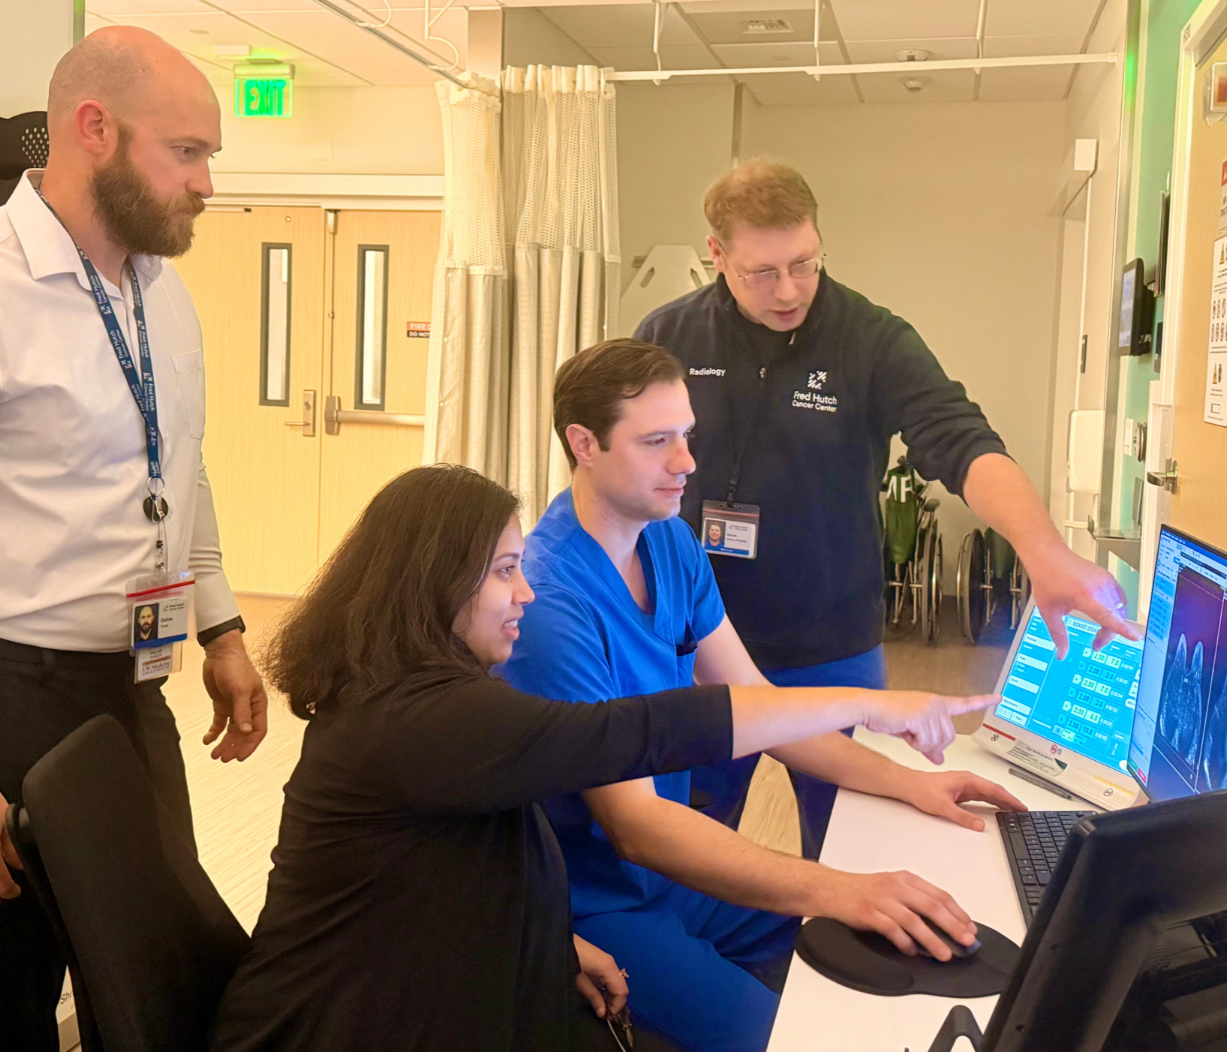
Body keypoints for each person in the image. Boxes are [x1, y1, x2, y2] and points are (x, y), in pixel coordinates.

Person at [210, 464, 995, 1052]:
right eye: (504, 573)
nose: (525, 595)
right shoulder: (428, 717)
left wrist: (552, 944)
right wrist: (864, 700)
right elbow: (644, 731)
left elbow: (430, 888)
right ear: (435, 584)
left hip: (415, 988)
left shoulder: (407, 694)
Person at [0, 27, 266, 1050]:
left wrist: (224, 627)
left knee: (157, 964)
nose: (207, 183)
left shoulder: (160, 292)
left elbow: (178, 465)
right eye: (187, 152)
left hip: (131, 680)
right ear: (95, 129)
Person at [498, 339, 1027, 1052]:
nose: (687, 461)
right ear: (583, 443)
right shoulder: (552, 600)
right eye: (657, 441)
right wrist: (837, 885)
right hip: (602, 903)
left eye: (687, 435)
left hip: (668, 883)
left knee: (889, 944)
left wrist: (909, 782)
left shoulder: (671, 544)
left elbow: (754, 705)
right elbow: (637, 826)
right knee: (794, 1032)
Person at [633, 159, 1144, 860]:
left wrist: (1042, 548)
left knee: (852, 844)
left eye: (805, 263)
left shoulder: (869, 336)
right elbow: (619, 461)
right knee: (690, 846)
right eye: (763, 272)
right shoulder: (669, 336)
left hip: (832, 644)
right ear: (716, 254)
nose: (789, 290)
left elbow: (960, 440)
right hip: (701, 647)